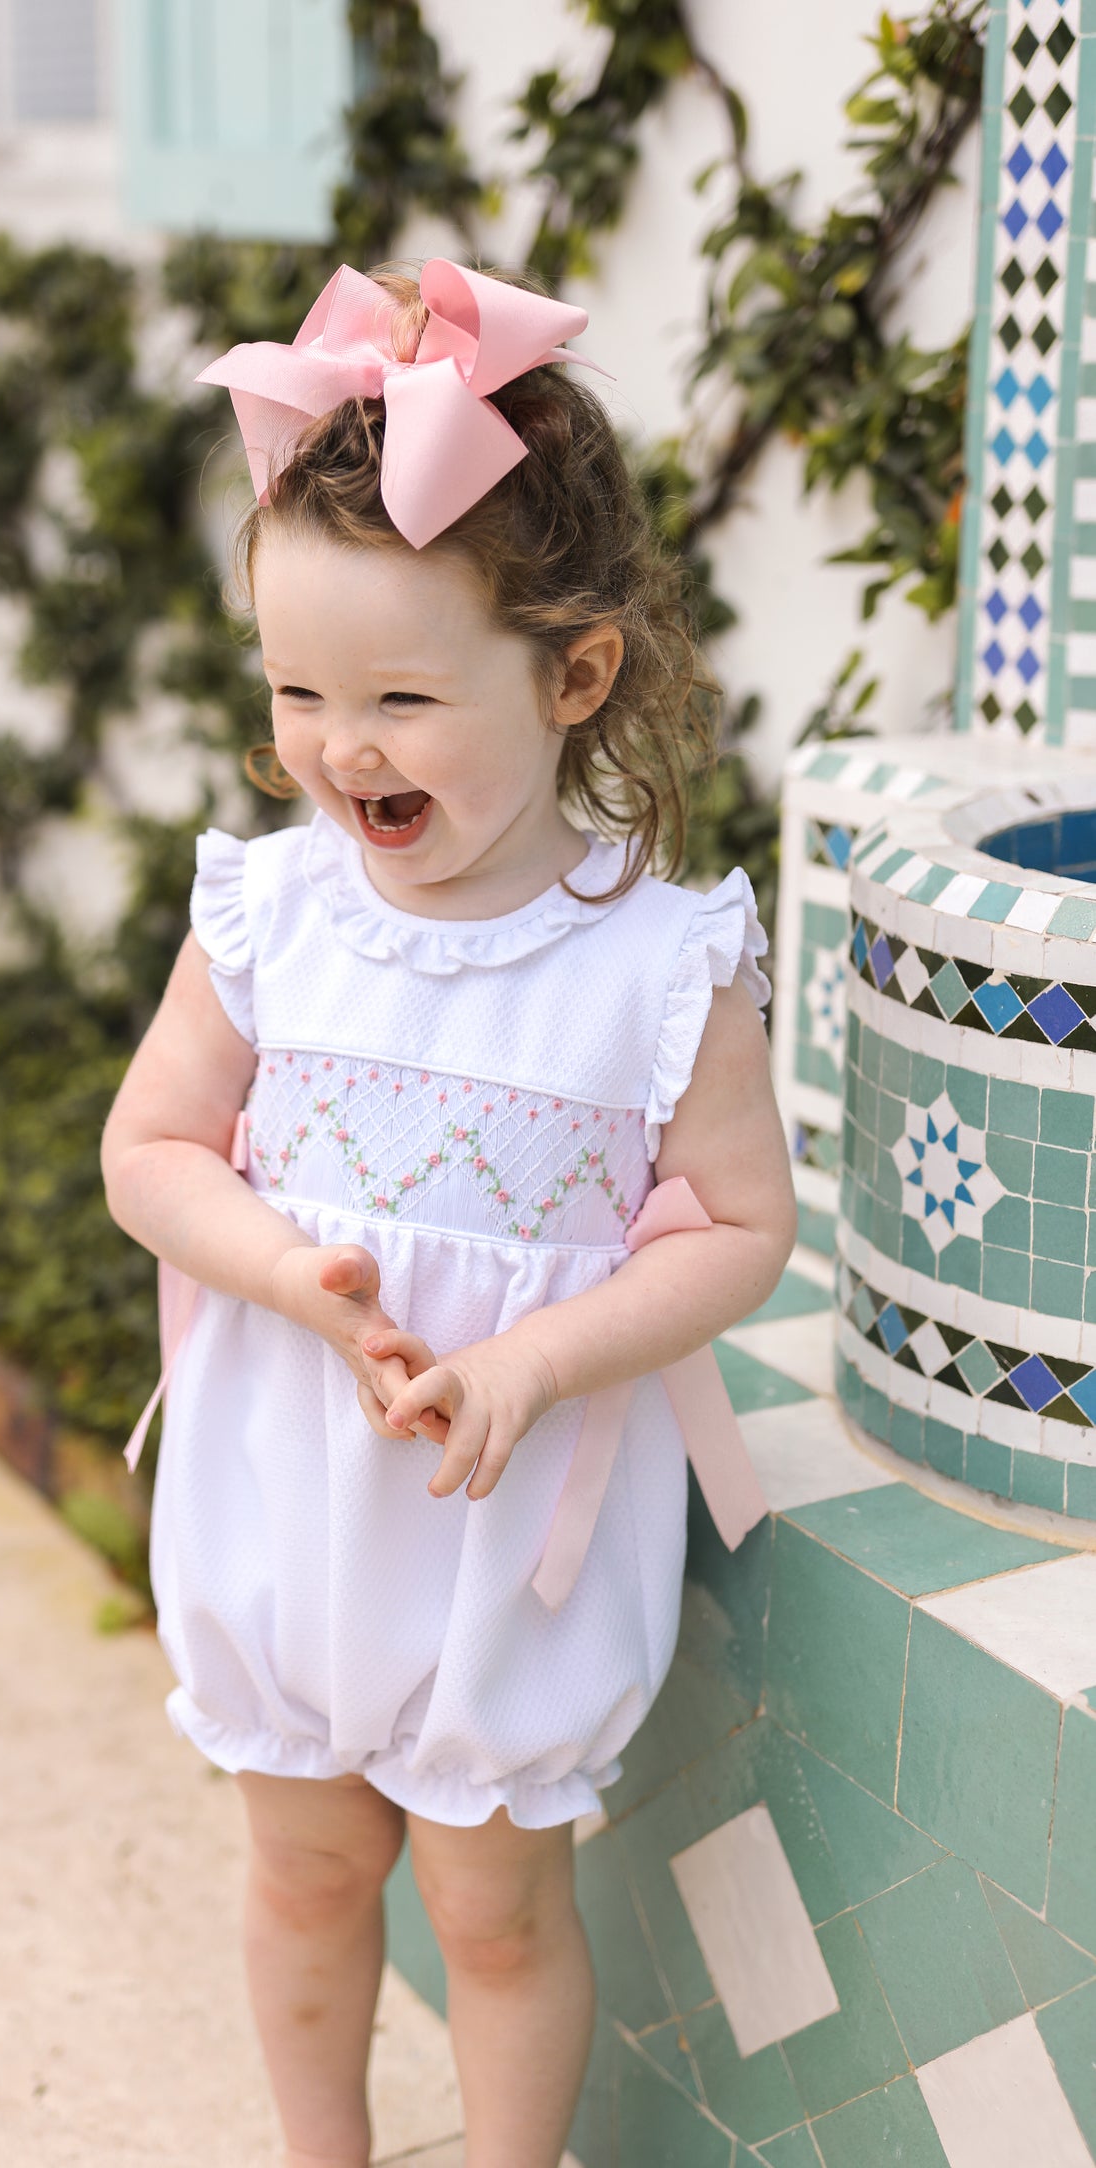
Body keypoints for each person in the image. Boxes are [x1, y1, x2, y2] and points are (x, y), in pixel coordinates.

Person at [100, 258, 797, 2168]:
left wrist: (536, 1360)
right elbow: (148, 1154)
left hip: (500, 1534)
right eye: (298, 690)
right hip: (290, 1488)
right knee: (309, 1875)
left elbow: (742, 1228)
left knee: (490, 1911)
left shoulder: (657, 963)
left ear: (574, 676)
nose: (343, 747)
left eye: (405, 695)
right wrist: (287, 1273)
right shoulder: (270, 915)